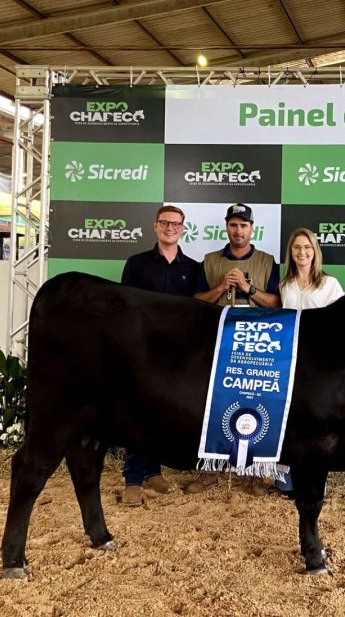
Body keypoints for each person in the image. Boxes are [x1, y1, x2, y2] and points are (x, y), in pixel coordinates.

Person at [192, 203, 281, 495]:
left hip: (256, 342)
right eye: (233, 224)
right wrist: (220, 288)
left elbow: (277, 304)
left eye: (243, 225)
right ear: (226, 227)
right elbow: (195, 302)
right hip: (215, 341)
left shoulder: (268, 261)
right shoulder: (209, 260)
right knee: (211, 402)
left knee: (256, 402)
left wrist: (248, 288)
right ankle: (208, 469)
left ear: (252, 229)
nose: (238, 230)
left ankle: (254, 472)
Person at [119, 205, 201, 506]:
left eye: (176, 224)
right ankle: (132, 479)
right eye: (165, 223)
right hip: (141, 350)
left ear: (183, 228)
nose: (170, 228)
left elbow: (198, 311)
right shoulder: (136, 264)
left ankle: (154, 472)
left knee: (160, 412)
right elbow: (124, 308)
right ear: (155, 226)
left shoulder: (192, 268)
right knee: (136, 411)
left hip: (176, 355)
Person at [275, 228, 344, 496]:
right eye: (296, 248)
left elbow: (340, 325)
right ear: (290, 253)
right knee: (288, 419)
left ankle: (316, 479)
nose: (302, 253)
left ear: (315, 252)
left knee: (317, 422)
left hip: (320, 365)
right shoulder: (284, 285)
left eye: (307, 248)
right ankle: (284, 479)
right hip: (290, 362)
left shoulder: (330, 284)